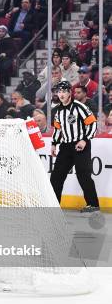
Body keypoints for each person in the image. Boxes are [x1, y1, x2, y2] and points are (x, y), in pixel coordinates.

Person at [50, 81, 99, 213]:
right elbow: (58, 129)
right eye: (59, 92)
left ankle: (93, 204)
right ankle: (54, 205)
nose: (61, 94)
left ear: (69, 92)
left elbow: (92, 123)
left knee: (83, 174)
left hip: (80, 145)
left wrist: (84, 140)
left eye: (64, 91)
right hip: (66, 146)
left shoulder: (79, 107)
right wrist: (54, 143)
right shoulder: (58, 110)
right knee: (56, 176)